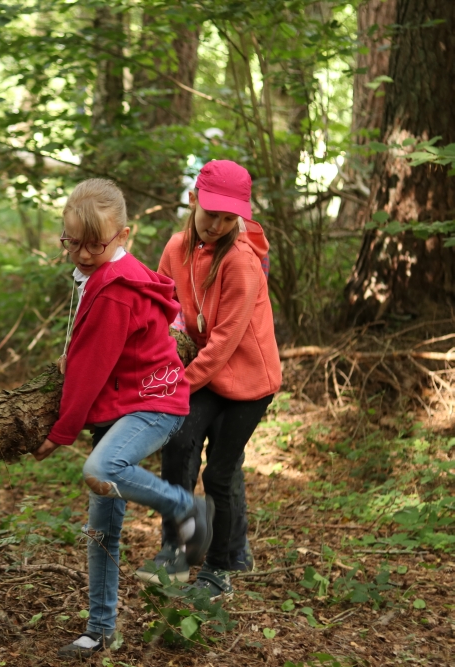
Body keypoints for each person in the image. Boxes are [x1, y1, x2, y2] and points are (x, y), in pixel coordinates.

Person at [32, 179, 213, 659]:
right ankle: (100, 628)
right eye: (73, 243)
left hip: (153, 406)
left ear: (123, 235)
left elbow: (90, 371)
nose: (84, 254)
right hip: (122, 409)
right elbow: (90, 353)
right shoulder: (105, 276)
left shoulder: (114, 290)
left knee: (100, 470)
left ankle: (186, 508)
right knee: (100, 528)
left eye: (96, 244)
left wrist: (61, 432)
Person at [138, 159, 281, 600]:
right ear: (193, 199)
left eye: (227, 216)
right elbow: (162, 309)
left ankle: (222, 565)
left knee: (221, 469)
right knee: (179, 445)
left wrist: (176, 385)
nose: (217, 224)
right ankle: (178, 548)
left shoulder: (241, 262)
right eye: (210, 212)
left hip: (249, 382)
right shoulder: (176, 247)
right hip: (206, 374)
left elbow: (223, 343)